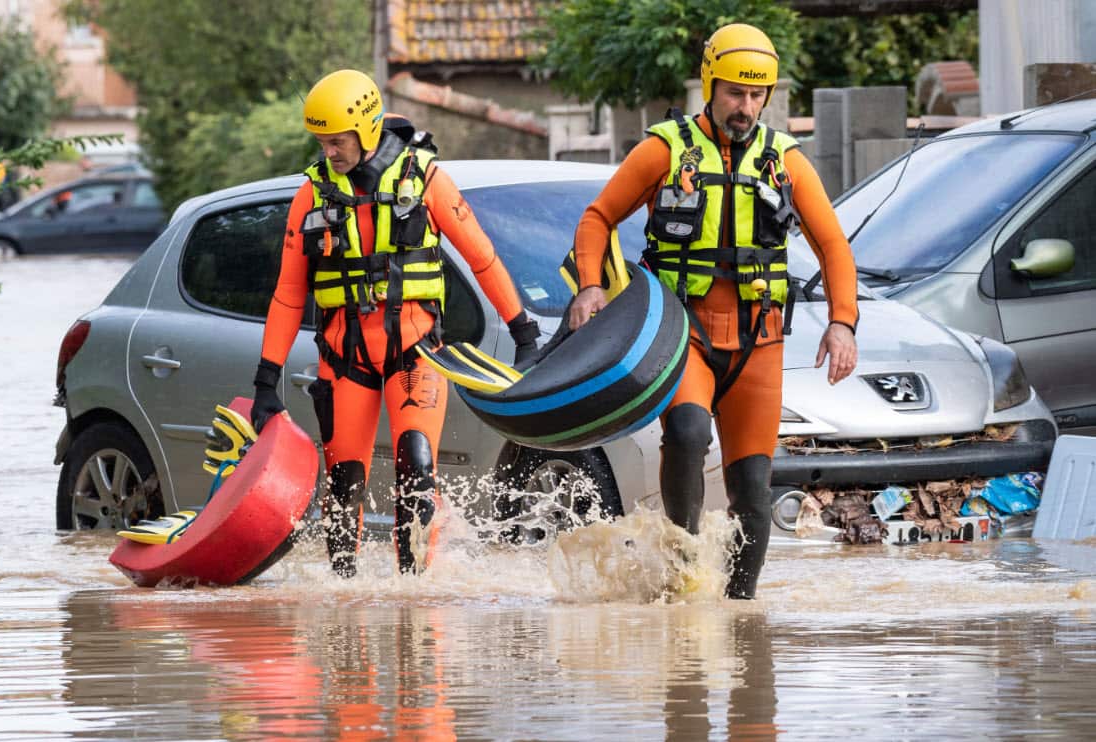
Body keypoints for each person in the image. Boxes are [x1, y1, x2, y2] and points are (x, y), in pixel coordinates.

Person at [567, 23, 859, 599]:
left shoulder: (787, 162)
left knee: (752, 487)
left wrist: (843, 321)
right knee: (688, 428)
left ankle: (739, 613)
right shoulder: (664, 149)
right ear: (710, 84)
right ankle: (682, 588)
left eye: (756, 96)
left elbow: (834, 247)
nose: (745, 107)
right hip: (685, 337)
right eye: (734, 93)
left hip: (759, 342)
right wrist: (590, 286)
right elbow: (598, 217)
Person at [251, 69, 540, 577]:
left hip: (415, 350)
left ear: (365, 131)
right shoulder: (311, 195)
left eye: (336, 142)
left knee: (416, 464)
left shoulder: (425, 179)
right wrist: (265, 381)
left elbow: (482, 257)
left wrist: (524, 335)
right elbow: (289, 293)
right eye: (321, 143)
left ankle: (415, 597)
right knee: (343, 485)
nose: (328, 153)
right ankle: (344, 602)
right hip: (345, 359)